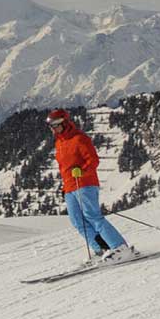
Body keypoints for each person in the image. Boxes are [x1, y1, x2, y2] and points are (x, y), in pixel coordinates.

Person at [48, 109, 137, 263]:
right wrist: (65, 188)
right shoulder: (59, 142)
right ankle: (102, 249)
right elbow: (65, 168)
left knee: (92, 216)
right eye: (50, 125)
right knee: (77, 221)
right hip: (70, 187)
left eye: (56, 125)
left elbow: (93, 161)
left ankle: (120, 247)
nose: (53, 128)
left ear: (65, 122)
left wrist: (81, 171)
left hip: (85, 183)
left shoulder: (80, 139)